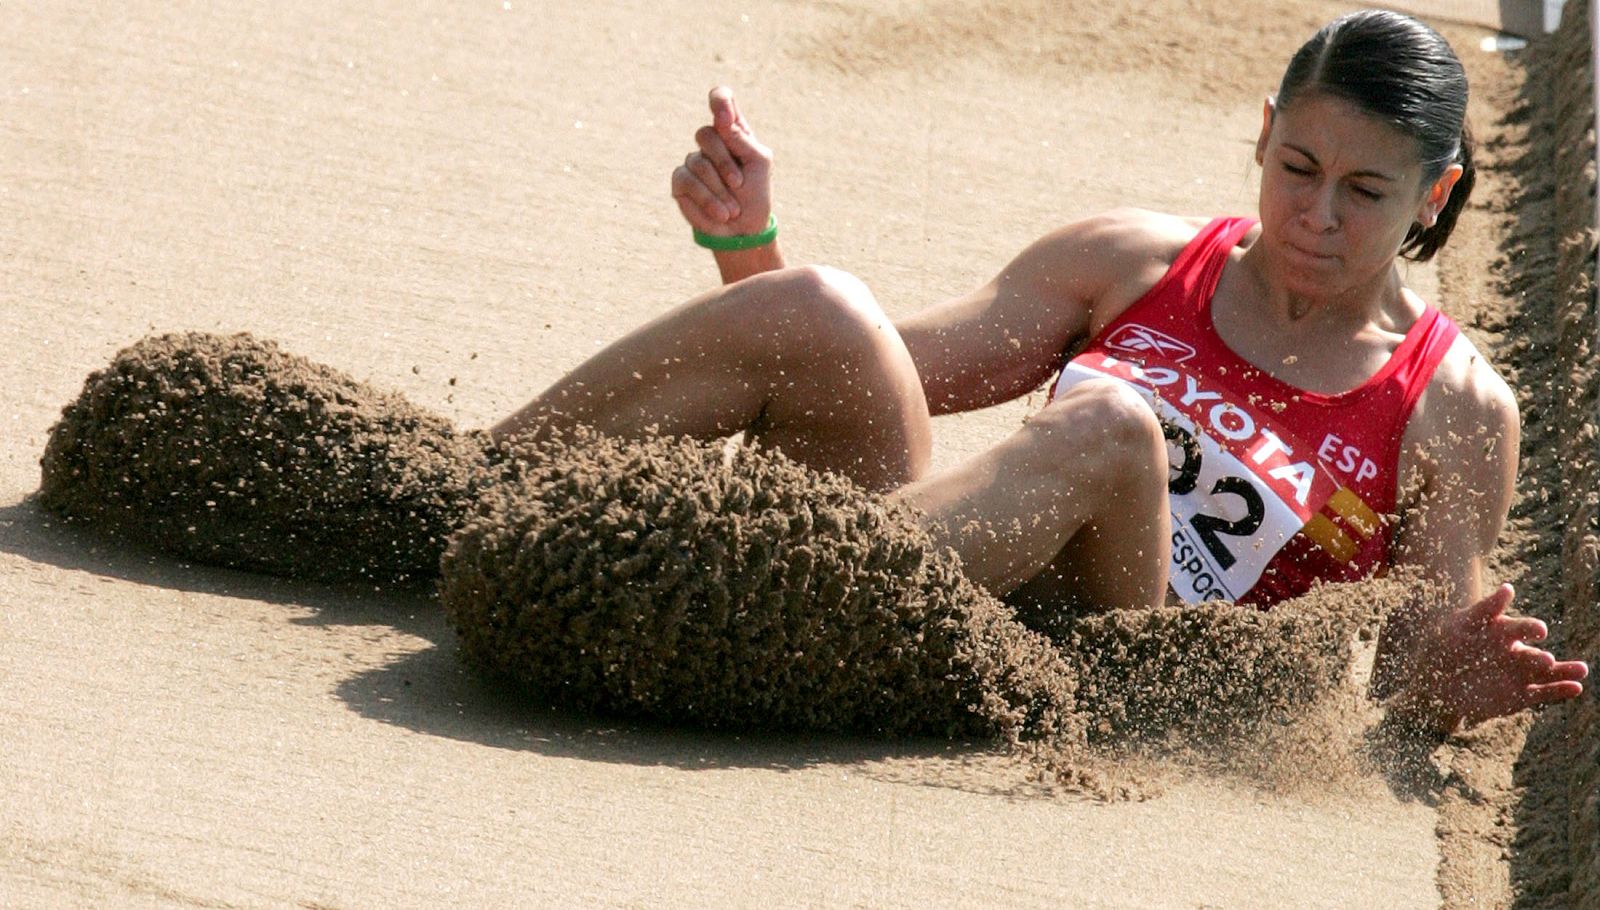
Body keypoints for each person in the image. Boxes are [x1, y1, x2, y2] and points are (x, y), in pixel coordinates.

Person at [492, 10, 1587, 736]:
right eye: (1299, 167)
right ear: (1261, 137)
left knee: (1111, 430)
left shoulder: (1451, 407)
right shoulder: (1131, 263)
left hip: (1105, 676)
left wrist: (1451, 693)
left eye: (1366, 192)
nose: (1316, 213)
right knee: (825, 306)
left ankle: (739, 597)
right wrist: (749, 241)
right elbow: (858, 378)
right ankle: (472, 489)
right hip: (938, 593)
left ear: (1432, 197)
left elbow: (1404, 685)